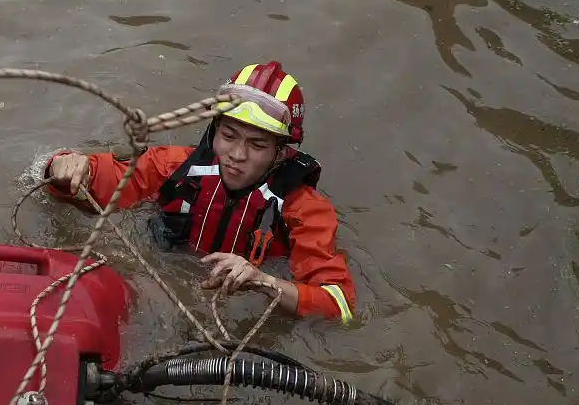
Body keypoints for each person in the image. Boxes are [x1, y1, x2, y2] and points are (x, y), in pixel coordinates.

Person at [42, 61, 356, 324]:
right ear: (214, 129)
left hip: (241, 313)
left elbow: (339, 307)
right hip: (162, 281)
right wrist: (65, 167)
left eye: (257, 145)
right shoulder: (173, 167)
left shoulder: (304, 210)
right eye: (229, 135)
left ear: (279, 152)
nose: (237, 154)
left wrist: (263, 281)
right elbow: (95, 182)